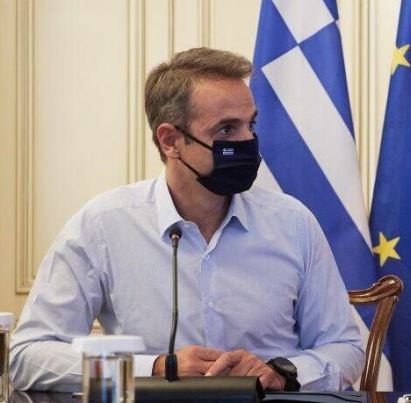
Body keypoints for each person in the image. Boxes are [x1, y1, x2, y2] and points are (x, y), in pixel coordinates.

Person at [9, 47, 364, 392]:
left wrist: (280, 372)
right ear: (170, 140)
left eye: (250, 125)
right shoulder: (103, 225)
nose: (248, 141)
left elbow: (344, 348)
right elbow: (27, 356)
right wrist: (157, 368)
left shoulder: (293, 223)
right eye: (226, 130)